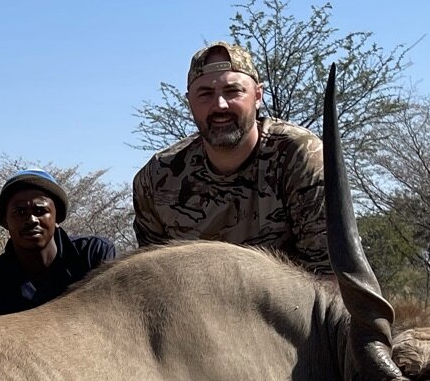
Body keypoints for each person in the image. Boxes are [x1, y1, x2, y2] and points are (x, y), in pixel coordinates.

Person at [131, 40, 328, 268]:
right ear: (189, 103)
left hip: (288, 301)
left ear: (257, 96)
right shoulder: (156, 178)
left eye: (233, 91)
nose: (220, 105)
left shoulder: (300, 156)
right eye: (205, 94)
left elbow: (329, 277)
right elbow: (151, 279)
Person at [0, 170, 116, 319]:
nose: (32, 220)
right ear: (6, 222)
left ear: (57, 218)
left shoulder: (94, 256)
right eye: (21, 212)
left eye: (40, 210)